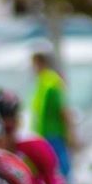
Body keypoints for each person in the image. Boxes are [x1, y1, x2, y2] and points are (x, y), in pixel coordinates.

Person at [28, 42, 72, 175]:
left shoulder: (52, 81)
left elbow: (63, 110)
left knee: (59, 171)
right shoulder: (42, 81)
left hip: (54, 134)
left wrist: (71, 134)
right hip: (43, 135)